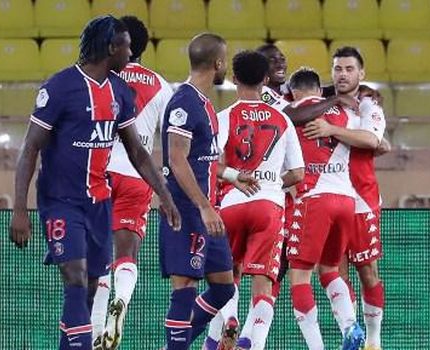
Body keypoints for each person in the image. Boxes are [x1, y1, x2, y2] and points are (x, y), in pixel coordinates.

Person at [8, 15, 180, 350]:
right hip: (61, 201)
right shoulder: (59, 87)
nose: (132, 54)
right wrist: (19, 208)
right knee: (75, 279)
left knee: (89, 287)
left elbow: (138, 153)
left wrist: (165, 194)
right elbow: (29, 148)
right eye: (127, 46)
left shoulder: (119, 91)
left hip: (99, 201)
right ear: (111, 47)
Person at [159, 33, 258, 350]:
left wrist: (230, 176)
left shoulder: (204, 105)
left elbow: (201, 160)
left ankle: (177, 343)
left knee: (224, 289)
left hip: (206, 209)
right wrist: (203, 206)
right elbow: (176, 159)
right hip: (186, 210)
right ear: (217, 63)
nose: (225, 67)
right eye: (224, 60)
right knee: (184, 285)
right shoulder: (184, 102)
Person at [88, 15, 174, 350]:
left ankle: (97, 333)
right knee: (126, 255)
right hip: (139, 175)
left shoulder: (100, 75)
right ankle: (121, 299)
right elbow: (173, 140)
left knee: (97, 258)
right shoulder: (161, 85)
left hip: (100, 170)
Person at [208, 50, 304, 350]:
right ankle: (254, 343)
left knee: (228, 274)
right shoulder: (282, 119)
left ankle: (231, 318)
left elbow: (211, 163)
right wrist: (271, 181)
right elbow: (299, 173)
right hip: (269, 206)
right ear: (265, 79)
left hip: (232, 204)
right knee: (263, 283)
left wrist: (236, 176)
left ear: (234, 79)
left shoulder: (224, 117)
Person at [301, 47, 387, 350]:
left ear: (361, 73)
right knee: (334, 269)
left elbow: (373, 139)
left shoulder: (368, 105)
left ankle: (373, 342)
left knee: (367, 270)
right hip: (330, 196)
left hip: (362, 199)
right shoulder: (322, 104)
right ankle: (349, 333)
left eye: (350, 69)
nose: (343, 74)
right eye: (338, 68)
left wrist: (332, 130)